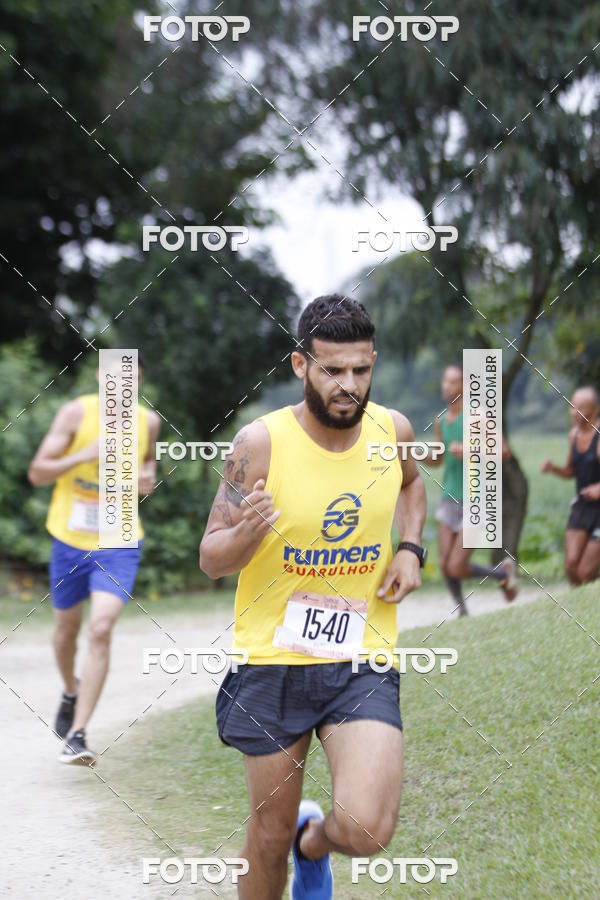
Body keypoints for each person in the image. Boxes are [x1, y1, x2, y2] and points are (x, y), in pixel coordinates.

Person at [200, 295, 427, 900]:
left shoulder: (393, 431)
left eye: (361, 369)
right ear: (301, 365)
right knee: (267, 836)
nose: (348, 385)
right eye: (332, 370)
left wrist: (411, 548)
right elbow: (211, 557)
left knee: (366, 829)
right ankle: (291, 842)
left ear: (373, 362)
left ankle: (314, 843)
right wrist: (245, 535)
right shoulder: (260, 444)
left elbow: (412, 486)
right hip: (272, 660)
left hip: (361, 657)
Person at [28, 355, 160, 764]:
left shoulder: (148, 422)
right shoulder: (75, 414)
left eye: (132, 380)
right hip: (69, 539)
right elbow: (37, 473)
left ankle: (78, 734)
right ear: (100, 377)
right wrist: (83, 454)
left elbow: (148, 468)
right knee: (65, 633)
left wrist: (147, 480)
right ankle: (71, 690)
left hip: (119, 537)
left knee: (100, 628)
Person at [427, 364, 517, 616]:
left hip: (476, 499)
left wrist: (471, 450)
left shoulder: (478, 416)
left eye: (453, 381)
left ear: (465, 386)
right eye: (444, 381)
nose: (447, 386)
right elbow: (439, 459)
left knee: (456, 565)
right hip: (449, 496)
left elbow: (504, 452)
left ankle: (502, 574)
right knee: (444, 563)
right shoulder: (440, 421)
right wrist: (416, 454)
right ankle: (463, 612)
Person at [541, 385, 600, 585]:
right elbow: (572, 470)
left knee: (585, 572)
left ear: (595, 410)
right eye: (572, 406)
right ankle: (578, 603)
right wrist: (553, 469)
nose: (574, 412)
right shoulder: (573, 435)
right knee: (571, 566)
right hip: (582, 507)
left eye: (581, 408)